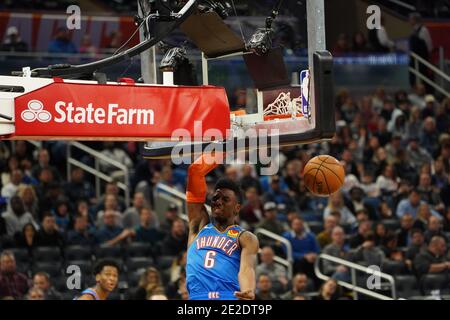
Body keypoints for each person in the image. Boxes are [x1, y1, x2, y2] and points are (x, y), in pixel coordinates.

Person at [185, 153, 259, 300]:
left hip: (227, 297)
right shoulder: (199, 225)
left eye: (225, 199)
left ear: (237, 208)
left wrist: (248, 289)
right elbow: (195, 171)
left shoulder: (245, 237)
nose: (218, 202)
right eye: (215, 198)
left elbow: (246, 268)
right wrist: (224, 149)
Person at [282, 217, 320, 281]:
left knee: (319, 260)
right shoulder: (286, 237)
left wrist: (314, 255)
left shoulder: (311, 236)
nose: (298, 226)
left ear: (303, 225)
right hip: (296, 260)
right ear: (292, 225)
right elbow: (288, 252)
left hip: (311, 258)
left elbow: (317, 249)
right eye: (296, 224)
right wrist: (304, 256)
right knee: (303, 261)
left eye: (300, 224)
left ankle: (318, 283)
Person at [408, 12, 433, 90]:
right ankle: (415, 88)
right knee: (412, 73)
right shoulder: (413, 31)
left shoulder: (423, 30)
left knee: (424, 74)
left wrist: (426, 55)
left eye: (410, 19)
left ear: (415, 20)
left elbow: (429, 44)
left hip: (422, 57)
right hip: (414, 56)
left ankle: (428, 90)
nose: (409, 21)